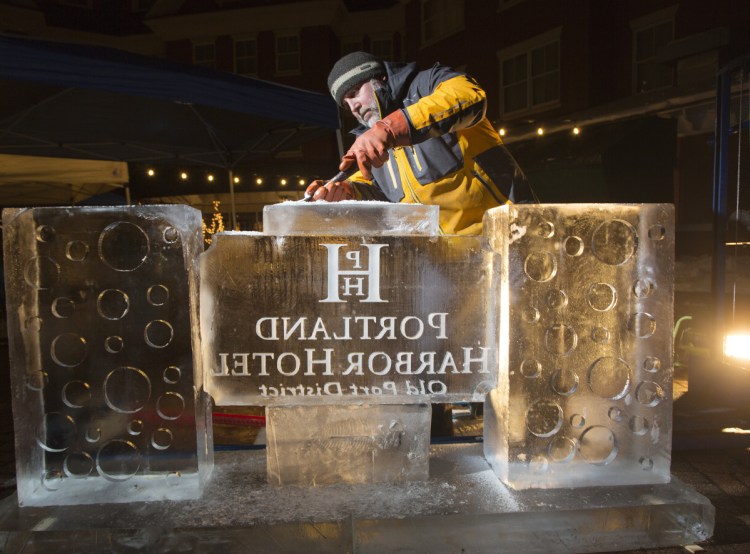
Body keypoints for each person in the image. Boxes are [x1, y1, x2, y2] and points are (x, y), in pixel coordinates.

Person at [306, 51, 534, 235]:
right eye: (346, 104)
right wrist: (347, 190)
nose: (353, 107)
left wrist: (391, 128)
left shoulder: (426, 85)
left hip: (507, 234)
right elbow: (379, 189)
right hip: (447, 262)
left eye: (355, 92)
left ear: (379, 78)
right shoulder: (367, 141)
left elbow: (470, 96)